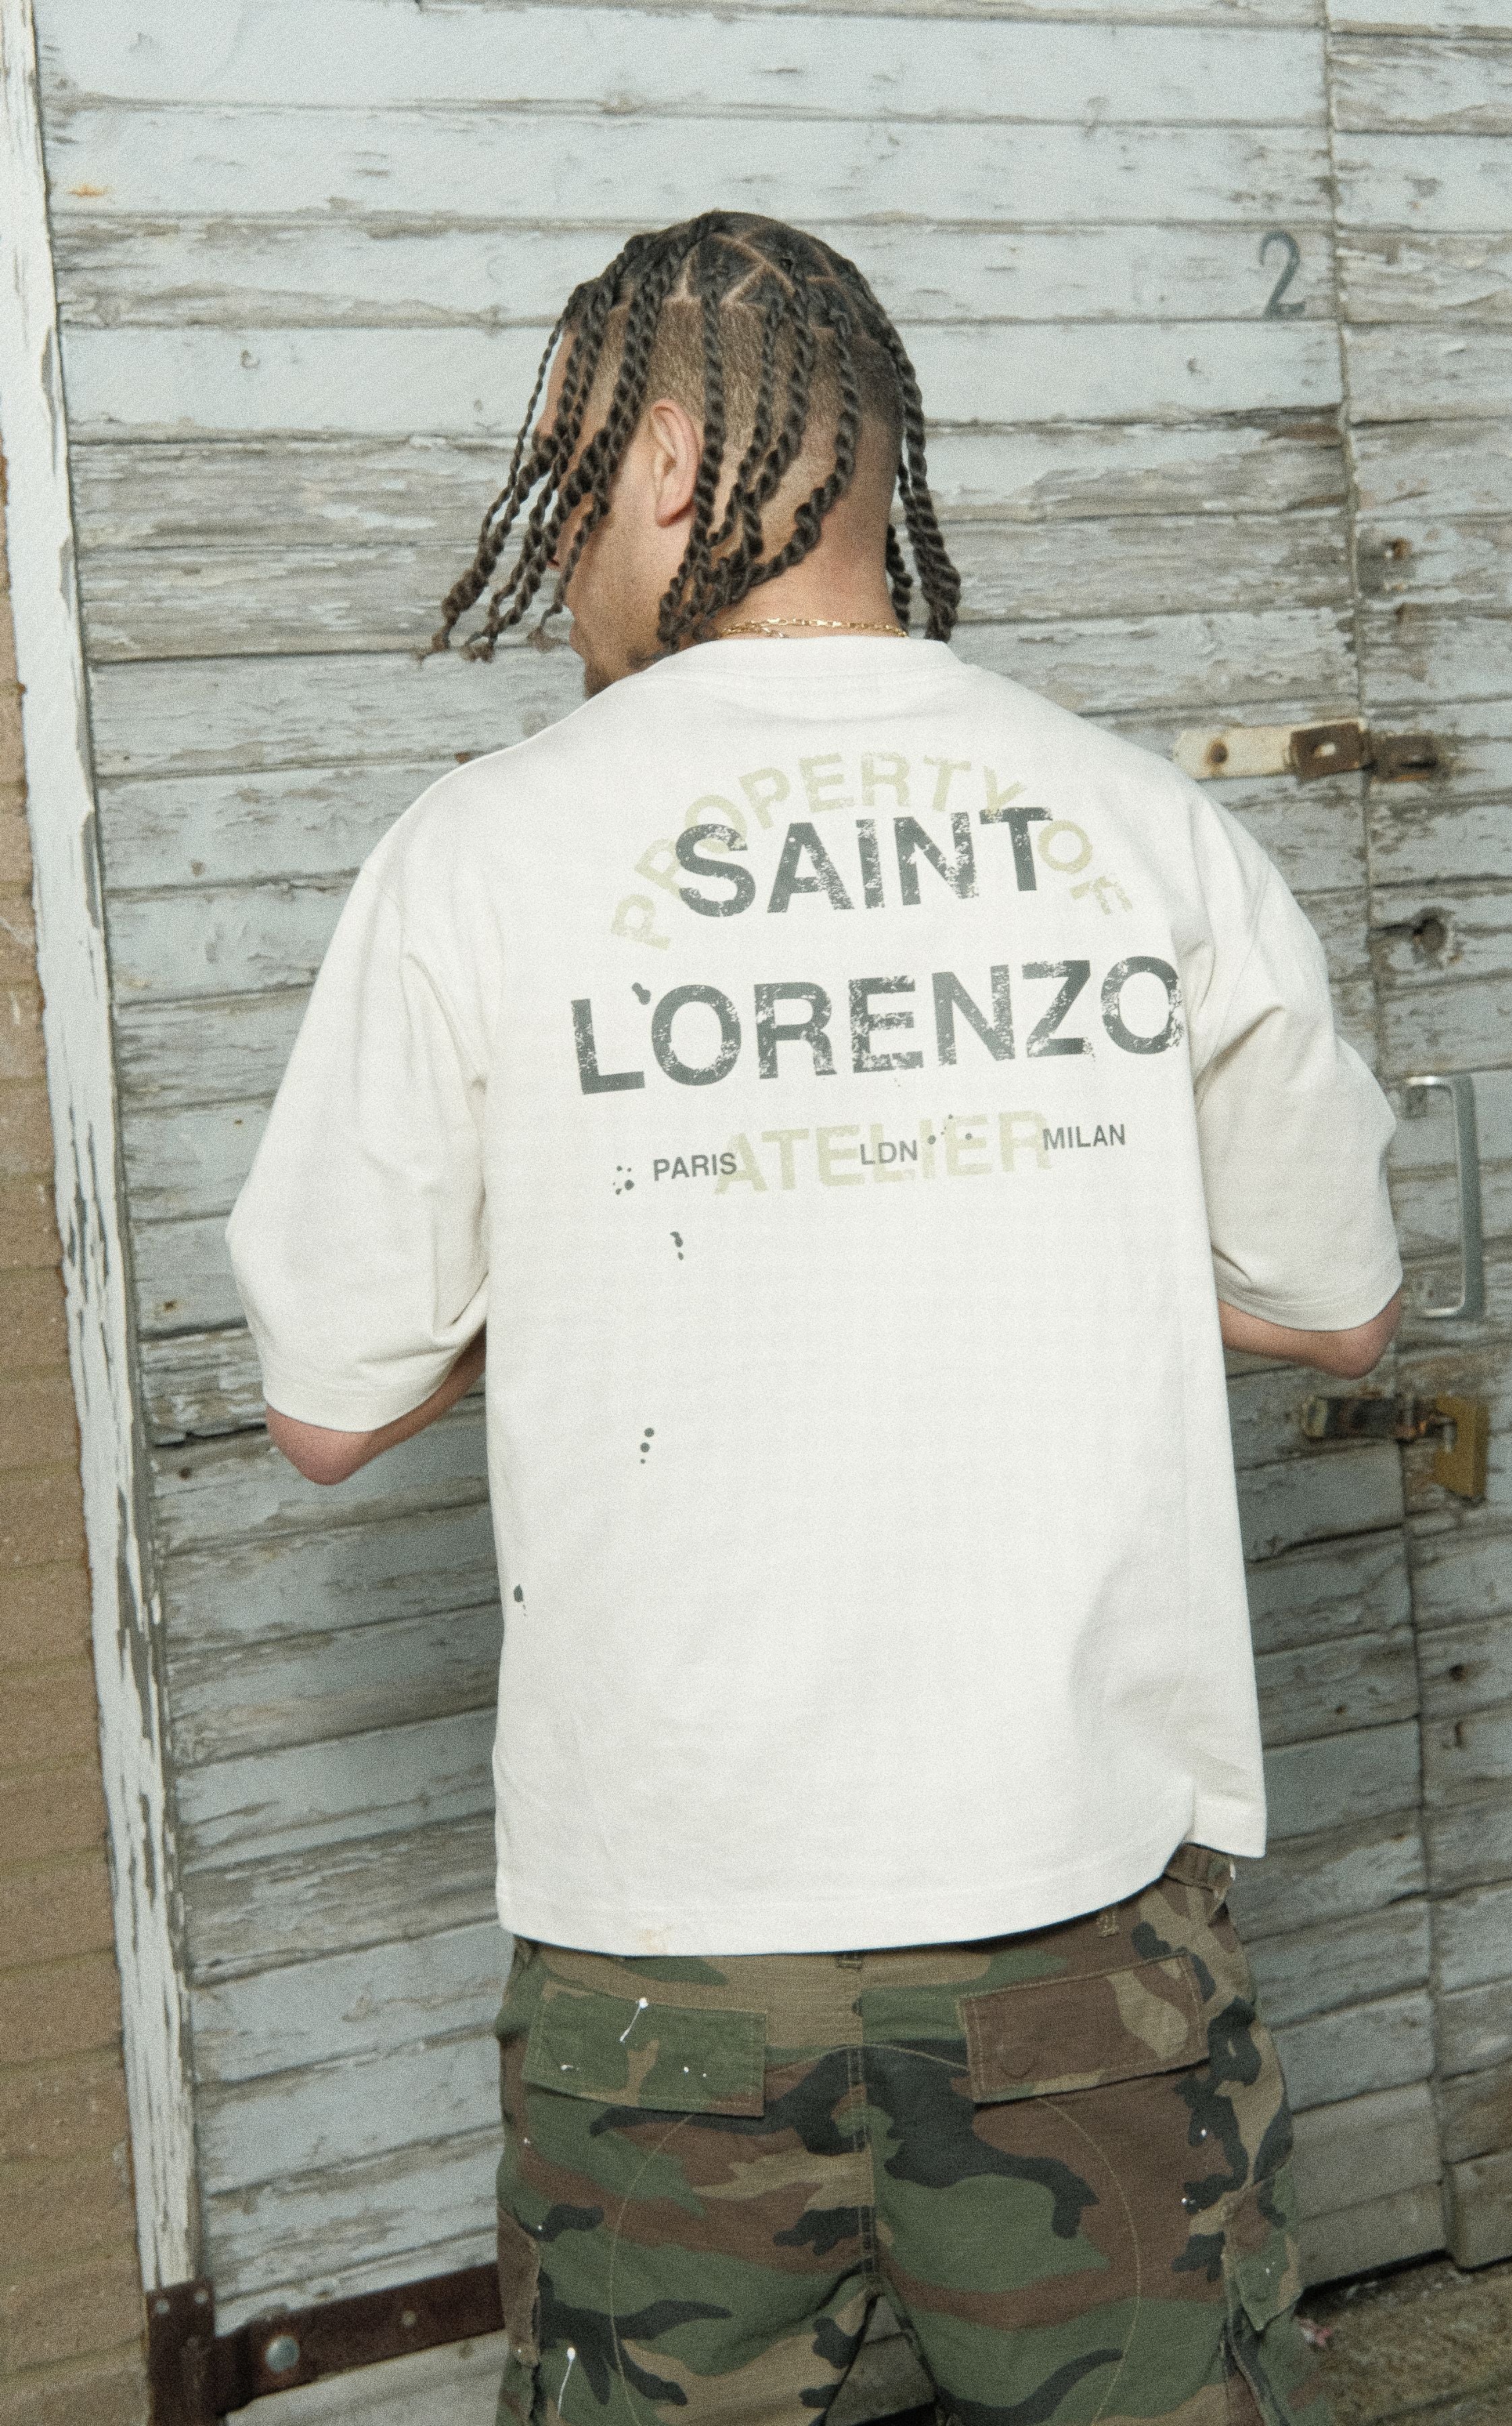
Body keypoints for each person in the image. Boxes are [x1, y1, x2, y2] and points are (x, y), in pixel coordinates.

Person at [227, 211, 1399, 2426]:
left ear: (672, 463)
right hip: (1087, 1945)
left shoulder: (479, 857)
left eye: (566, 474)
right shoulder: (1141, 826)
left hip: (665, 1974)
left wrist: (638, 1242)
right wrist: (1007, 1209)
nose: (558, 545)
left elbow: (328, 1408)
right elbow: (1339, 1309)